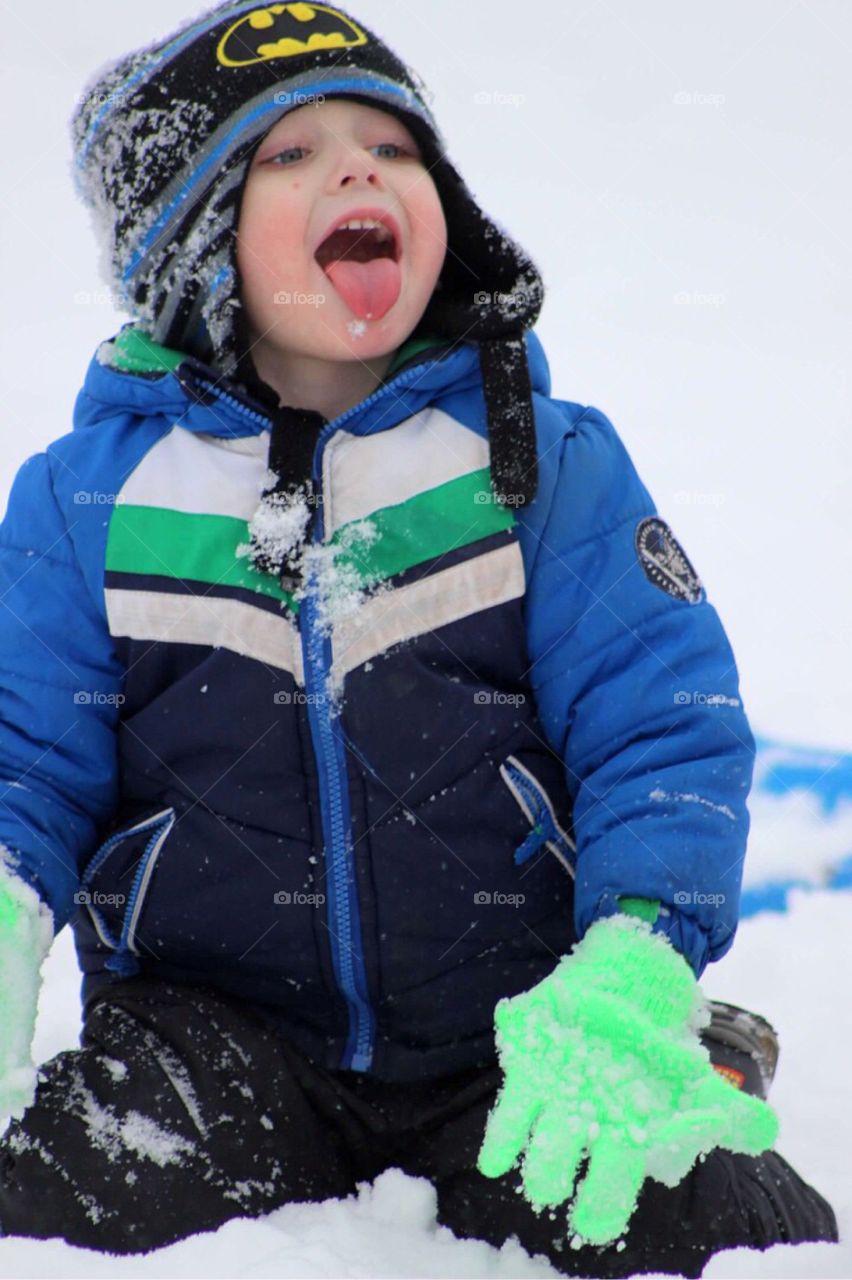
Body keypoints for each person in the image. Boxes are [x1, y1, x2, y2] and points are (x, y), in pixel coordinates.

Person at [0, 2, 837, 1273]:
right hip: (211, 1039)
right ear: (189, 246)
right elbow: (23, 755)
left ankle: (681, 1042)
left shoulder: (538, 466)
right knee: (55, 1195)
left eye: (394, 147)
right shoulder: (89, 502)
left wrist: (634, 958)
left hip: (514, 1028)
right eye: (288, 153)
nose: (358, 169)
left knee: (691, 1216)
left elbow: (658, 723)